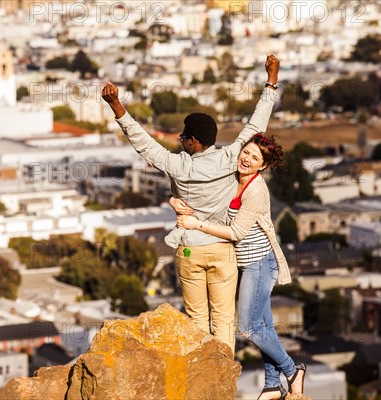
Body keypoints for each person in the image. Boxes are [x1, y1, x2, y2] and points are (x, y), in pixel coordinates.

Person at [101, 55, 281, 356]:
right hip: (222, 249)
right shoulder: (229, 159)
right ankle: (223, 374)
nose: (180, 138)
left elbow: (143, 143)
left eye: (184, 134)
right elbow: (256, 123)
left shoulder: (177, 166)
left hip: (189, 249)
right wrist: (271, 81)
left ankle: (203, 371)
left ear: (194, 141)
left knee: (197, 319)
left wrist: (117, 107)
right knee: (224, 320)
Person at [173, 133, 306, 399]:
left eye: (255, 158)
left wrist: (195, 225)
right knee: (265, 328)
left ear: (262, 166)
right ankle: (271, 384)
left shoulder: (256, 190)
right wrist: (173, 200)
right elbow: (195, 192)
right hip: (245, 266)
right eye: (246, 151)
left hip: (259, 265)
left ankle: (293, 370)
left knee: (249, 328)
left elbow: (235, 232)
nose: (247, 159)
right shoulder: (231, 176)